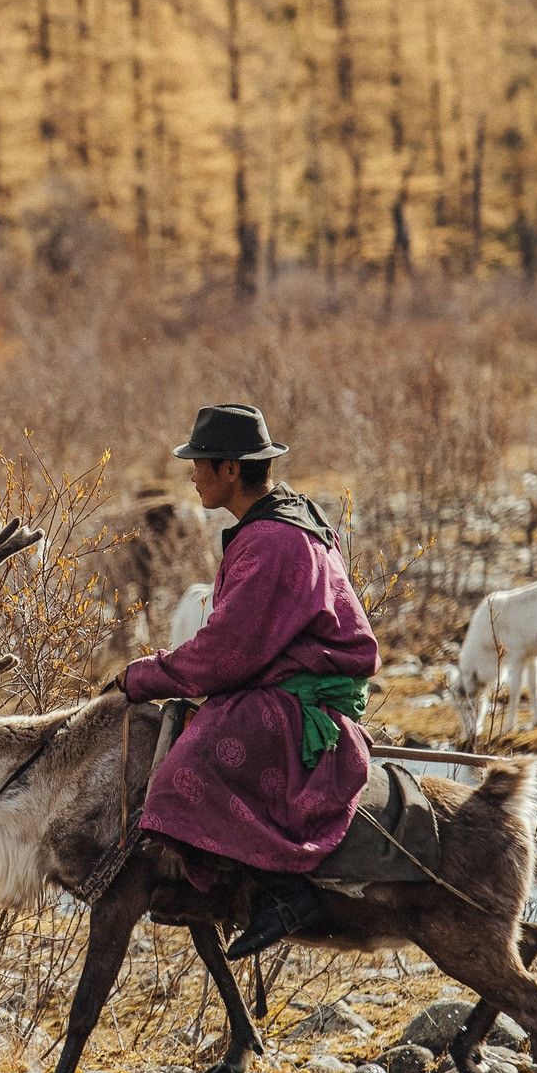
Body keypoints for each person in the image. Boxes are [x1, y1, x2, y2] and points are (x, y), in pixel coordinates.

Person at [118, 403, 380, 958]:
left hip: (299, 697)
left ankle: (285, 895)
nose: (192, 475)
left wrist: (141, 677)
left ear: (231, 470)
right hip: (286, 683)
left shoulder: (270, 542)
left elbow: (224, 657)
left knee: (181, 774)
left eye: (200, 463)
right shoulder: (284, 520)